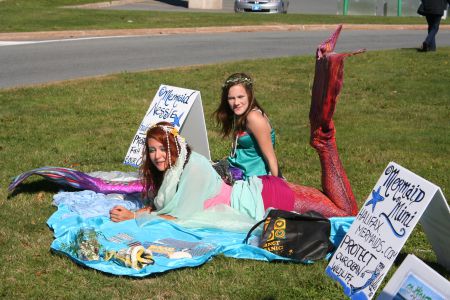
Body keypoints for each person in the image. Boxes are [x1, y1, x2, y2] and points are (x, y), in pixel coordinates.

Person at [214, 73, 281, 179]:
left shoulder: (253, 117)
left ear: (250, 95)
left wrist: (276, 184)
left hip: (252, 177)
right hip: (238, 169)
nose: (236, 102)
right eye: (231, 98)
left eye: (240, 97)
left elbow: (270, 157)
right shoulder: (241, 115)